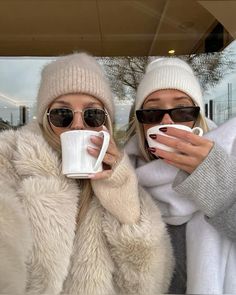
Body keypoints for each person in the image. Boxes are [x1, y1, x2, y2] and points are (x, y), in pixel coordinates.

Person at [0, 52, 174, 294]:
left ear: (107, 123)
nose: (78, 125)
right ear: (44, 119)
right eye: (63, 114)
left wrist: (124, 203)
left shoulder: (121, 175)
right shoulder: (9, 160)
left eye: (93, 115)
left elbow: (147, 286)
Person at [125, 57, 236, 294]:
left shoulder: (230, 163)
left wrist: (217, 185)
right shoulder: (122, 180)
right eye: (153, 113)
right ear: (141, 125)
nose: (166, 121)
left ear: (197, 119)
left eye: (183, 110)